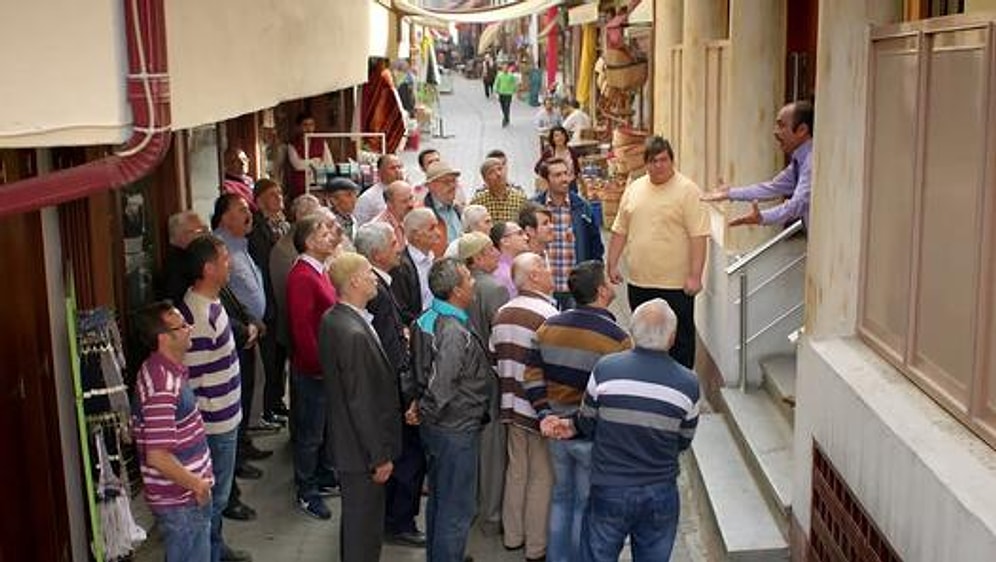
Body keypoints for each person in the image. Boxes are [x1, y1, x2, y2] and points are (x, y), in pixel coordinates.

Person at [540, 298, 701, 562]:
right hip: (659, 490)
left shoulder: (606, 369)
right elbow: (683, 440)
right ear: (672, 338)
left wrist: (568, 426)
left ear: (632, 332)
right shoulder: (688, 383)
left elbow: (588, 422)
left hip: (610, 486)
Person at [525, 261, 632, 562]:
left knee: (561, 497)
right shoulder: (618, 339)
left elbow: (531, 374)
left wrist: (546, 415)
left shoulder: (548, 327)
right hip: (589, 433)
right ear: (600, 291)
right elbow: (617, 397)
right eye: (608, 282)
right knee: (584, 504)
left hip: (554, 428)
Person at [410, 258, 498, 562]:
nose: (473, 282)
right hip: (454, 428)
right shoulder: (453, 331)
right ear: (457, 290)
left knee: (440, 500)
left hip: (438, 427)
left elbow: (417, 371)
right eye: (468, 279)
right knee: (457, 508)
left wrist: (421, 412)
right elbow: (443, 383)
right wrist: (429, 412)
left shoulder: (428, 316)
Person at [320, 252, 402, 562]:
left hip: (352, 446)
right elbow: (361, 402)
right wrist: (378, 456)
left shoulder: (336, 318)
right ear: (354, 281)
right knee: (362, 531)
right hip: (360, 452)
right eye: (369, 273)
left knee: (360, 525)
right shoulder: (352, 332)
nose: (374, 279)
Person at [178, 235, 251, 562]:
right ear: (208, 269)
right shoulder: (196, 319)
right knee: (214, 498)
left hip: (227, 415)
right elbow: (191, 381)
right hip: (215, 422)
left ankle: (216, 548)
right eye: (224, 259)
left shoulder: (213, 301)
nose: (229, 263)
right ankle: (209, 552)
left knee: (217, 497)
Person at [606, 136, 709, 369]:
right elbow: (620, 229)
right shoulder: (634, 188)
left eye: (663, 160)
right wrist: (611, 264)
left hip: (676, 284)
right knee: (644, 337)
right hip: (639, 281)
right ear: (646, 164)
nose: (658, 165)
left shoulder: (688, 191)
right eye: (653, 161)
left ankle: (681, 386)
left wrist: (695, 276)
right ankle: (647, 380)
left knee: (679, 339)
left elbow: (699, 236)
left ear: (672, 161)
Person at [354, 223, 427, 548]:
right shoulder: (379, 294)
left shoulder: (382, 286)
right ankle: (400, 522)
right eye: (393, 243)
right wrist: (410, 397)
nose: (399, 247)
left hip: (388, 392)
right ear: (377, 254)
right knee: (408, 458)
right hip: (394, 394)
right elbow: (392, 350)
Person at [490, 252, 559, 562]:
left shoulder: (502, 312)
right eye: (543, 266)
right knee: (541, 476)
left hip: (509, 403)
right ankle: (536, 547)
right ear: (533, 276)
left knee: (516, 471)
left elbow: (495, 359)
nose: (550, 270)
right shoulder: (548, 314)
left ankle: (513, 535)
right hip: (539, 407)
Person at [132, 301, 214, 562]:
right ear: (163, 338)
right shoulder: (162, 387)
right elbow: (157, 455)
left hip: (183, 499)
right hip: (182, 503)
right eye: (182, 326)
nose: (190, 329)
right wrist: (197, 485)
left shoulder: (161, 369)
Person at [285, 213, 343, 519]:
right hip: (312, 368)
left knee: (320, 428)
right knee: (310, 433)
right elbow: (302, 328)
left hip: (324, 365)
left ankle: (321, 476)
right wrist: (317, 365)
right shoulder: (302, 276)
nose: (332, 237)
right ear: (308, 242)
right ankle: (306, 490)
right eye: (324, 234)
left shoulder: (319, 270)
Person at [459, 232, 510, 537]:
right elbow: (499, 336)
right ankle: (491, 515)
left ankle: (472, 506)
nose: (496, 255)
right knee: (492, 449)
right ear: (476, 258)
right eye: (491, 251)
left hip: (464, 378)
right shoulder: (495, 289)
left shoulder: (461, 286)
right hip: (488, 376)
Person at [702, 100, 814, 228]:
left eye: (781, 126)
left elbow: (798, 204)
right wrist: (730, 193)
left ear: (802, 130)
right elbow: (772, 188)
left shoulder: (811, 162)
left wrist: (763, 217)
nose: (775, 132)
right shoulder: (800, 159)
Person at [247, 179, 291, 428]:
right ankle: (266, 408)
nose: (279, 198)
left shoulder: (281, 224)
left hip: (280, 300)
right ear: (260, 199)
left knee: (280, 358)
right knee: (269, 359)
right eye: (272, 195)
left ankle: (276, 402)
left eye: (280, 193)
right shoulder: (257, 228)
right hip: (268, 302)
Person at [533, 157, 604, 309]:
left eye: (566, 173)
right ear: (547, 180)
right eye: (557, 175)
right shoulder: (535, 208)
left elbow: (596, 247)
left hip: (576, 290)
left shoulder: (582, 207)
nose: (564, 179)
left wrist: (596, 280)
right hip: (545, 289)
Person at [390, 207, 441, 326]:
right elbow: (403, 311)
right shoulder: (400, 267)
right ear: (415, 235)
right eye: (432, 228)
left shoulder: (434, 258)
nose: (438, 233)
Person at [422, 161, 463, 258]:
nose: (452, 186)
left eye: (454, 181)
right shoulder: (423, 215)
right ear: (431, 186)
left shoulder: (457, 209)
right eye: (447, 182)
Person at [287, 113, 333, 198]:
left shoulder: (321, 142)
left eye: (311, 125)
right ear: (298, 126)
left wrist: (308, 163)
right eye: (305, 125)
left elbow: (329, 163)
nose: (308, 128)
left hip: (318, 183)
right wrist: (316, 161)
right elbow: (297, 165)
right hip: (300, 186)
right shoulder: (292, 144)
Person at [471, 157, 528, 225]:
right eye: (491, 172)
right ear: (485, 179)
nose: (498, 174)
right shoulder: (478, 201)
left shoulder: (520, 198)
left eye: (500, 169)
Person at [355, 154, 405, 226]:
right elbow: (359, 226)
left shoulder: (408, 191)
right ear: (379, 172)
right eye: (392, 168)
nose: (398, 171)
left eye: (399, 167)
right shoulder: (368, 198)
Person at [489, 221, 530, 298]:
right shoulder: (502, 274)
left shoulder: (514, 267)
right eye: (520, 234)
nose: (526, 238)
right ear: (505, 241)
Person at [374, 180, 416, 247]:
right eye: (404, 201)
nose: (410, 204)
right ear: (390, 204)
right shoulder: (380, 230)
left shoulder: (414, 219)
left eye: (411, 198)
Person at [320, 177, 361, 244]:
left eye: (355, 194)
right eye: (348, 195)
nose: (354, 200)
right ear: (333, 200)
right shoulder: (325, 221)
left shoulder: (352, 219)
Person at [495, 63, 519, 127]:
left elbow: (514, 83)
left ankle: (505, 119)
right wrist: (495, 90)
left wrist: (515, 90)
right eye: (504, 68)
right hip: (501, 93)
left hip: (508, 93)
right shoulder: (499, 75)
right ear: (502, 69)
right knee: (503, 107)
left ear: (508, 69)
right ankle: (507, 118)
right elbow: (496, 83)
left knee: (507, 106)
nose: (505, 69)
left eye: (506, 68)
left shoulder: (511, 76)